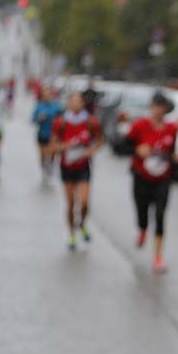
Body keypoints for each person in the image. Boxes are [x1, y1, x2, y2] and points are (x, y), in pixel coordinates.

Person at [127, 91, 178, 273]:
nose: (158, 111)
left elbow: (172, 152)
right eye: (155, 107)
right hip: (141, 178)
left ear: (165, 109)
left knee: (159, 215)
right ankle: (142, 230)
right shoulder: (139, 126)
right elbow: (124, 145)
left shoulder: (172, 129)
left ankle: (158, 257)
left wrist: (175, 158)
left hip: (162, 180)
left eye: (161, 107)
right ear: (151, 107)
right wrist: (137, 150)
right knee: (143, 212)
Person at [52, 92, 103, 250]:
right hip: (67, 167)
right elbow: (53, 145)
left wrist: (91, 150)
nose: (75, 105)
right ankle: (72, 234)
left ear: (82, 104)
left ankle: (82, 224)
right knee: (71, 203)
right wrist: (63, 147)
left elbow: (99, 141)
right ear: (68, 104)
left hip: (83, 168)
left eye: (78, 102)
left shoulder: (90, 122)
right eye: (72, 102)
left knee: (85, 202)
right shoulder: (61, 122)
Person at [32, 87, 62, 181]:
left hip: (53, 135)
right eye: (45, 95)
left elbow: (62, 118)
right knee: (43, 154)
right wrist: (39, 118)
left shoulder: (56, 106)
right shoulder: (39, 106)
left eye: (49, 95)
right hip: (42, 134)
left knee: (52, 153)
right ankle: (43, 169)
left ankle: (50, 166)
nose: (47, 97)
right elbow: (32, 119)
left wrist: (57, 121)